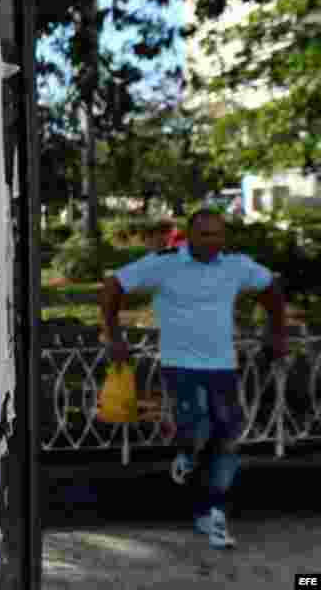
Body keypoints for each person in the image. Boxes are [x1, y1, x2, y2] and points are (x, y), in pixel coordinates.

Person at [100, 209, 288, 550]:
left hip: (222, 368)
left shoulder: (235, 266)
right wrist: (113, 335)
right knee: (198, 428)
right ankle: (186, 453)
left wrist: (277, 333)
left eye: (218, 235)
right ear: (189, 235)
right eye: (205, 235)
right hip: (180, 365)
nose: (212, 241)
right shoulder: (164, 264)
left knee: (228, 438)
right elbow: (114, 285)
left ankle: (211, 510)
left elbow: (271, 288)